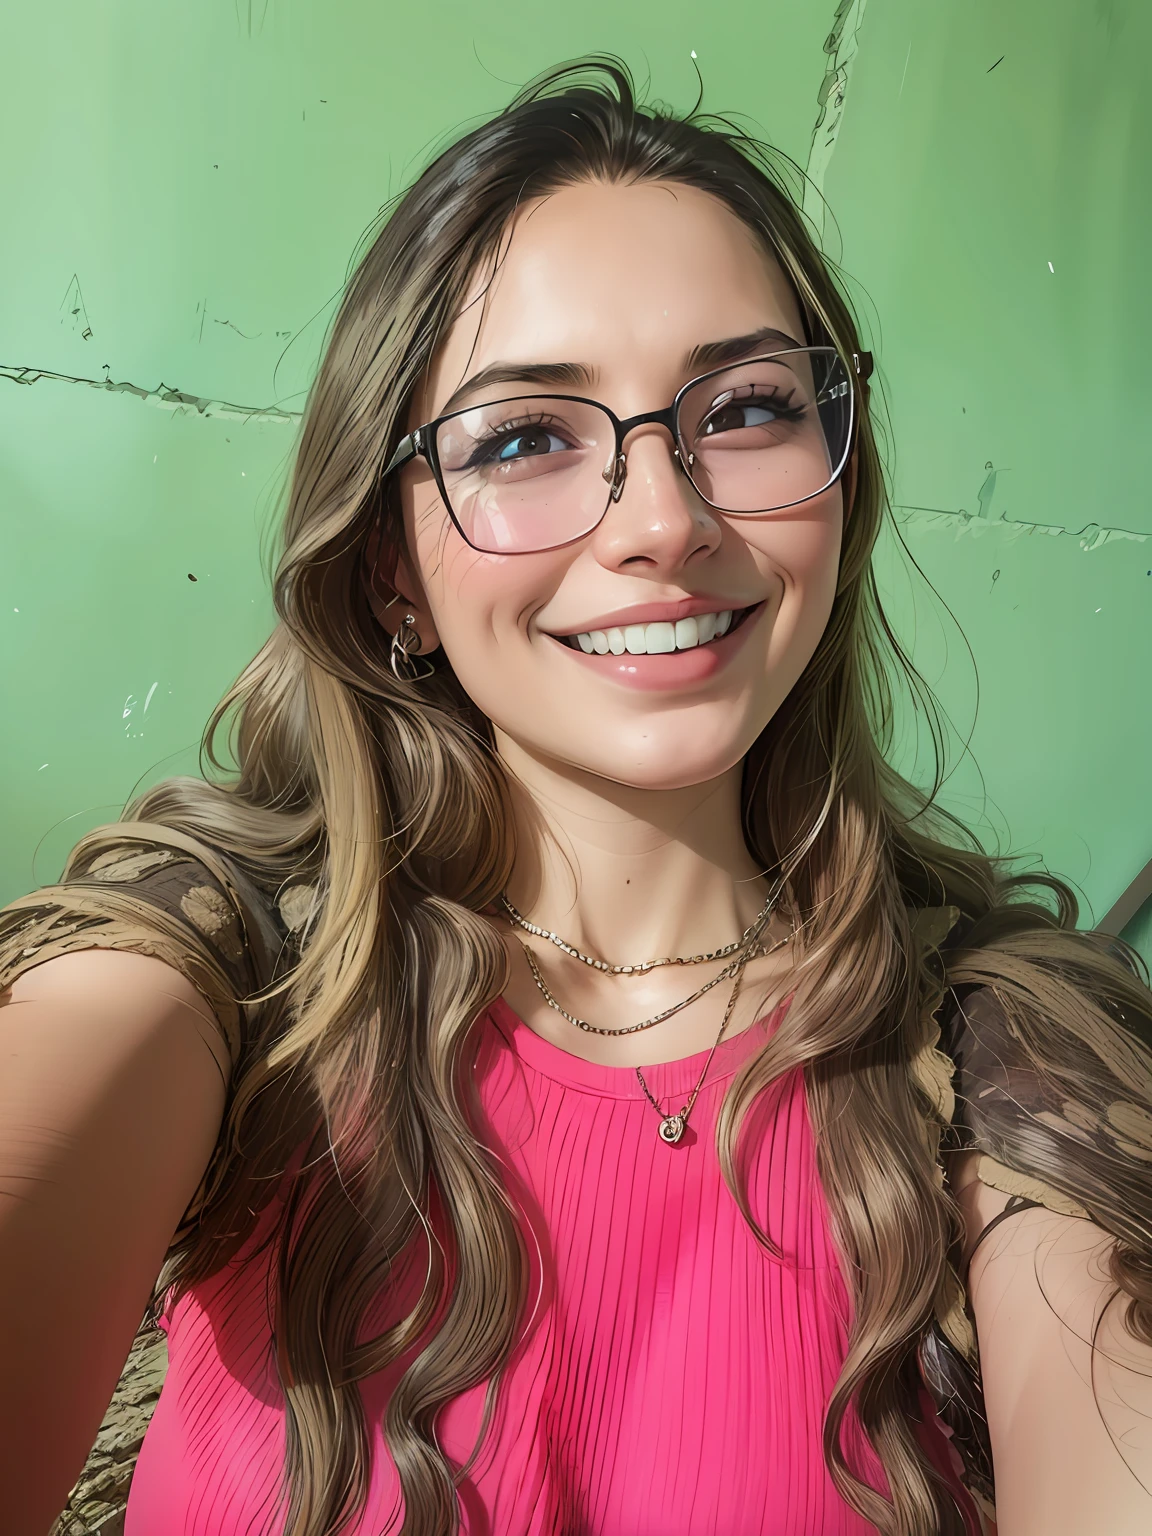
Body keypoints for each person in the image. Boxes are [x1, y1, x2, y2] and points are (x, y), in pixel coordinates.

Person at [2, 57, 1151, 1536]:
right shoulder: (233, 965)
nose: (666, 520)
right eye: (526, 438)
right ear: (391, 570)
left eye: (743, 408)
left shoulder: (1007, 1046)